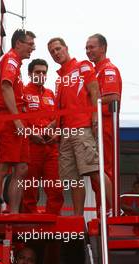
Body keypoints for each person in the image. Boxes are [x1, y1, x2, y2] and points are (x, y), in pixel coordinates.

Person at [48, 37, 112, 215]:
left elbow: (95, 91)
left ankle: (114, 209)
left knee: (95, 171)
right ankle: (77, 220)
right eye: (52, 52)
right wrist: (52, 127)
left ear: (66, 48)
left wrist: (94, 117)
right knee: (73, 180)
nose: (56, 53)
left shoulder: (82, 65)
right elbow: (63, 111)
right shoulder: (60, 80)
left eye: (58, 49)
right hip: (65, 134)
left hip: (82, 128)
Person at [0, 29, 36, 213]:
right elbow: (6, 87)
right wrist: (16, 120)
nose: (33, 48)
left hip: (17, 119)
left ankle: (14, 213)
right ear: (18, 43)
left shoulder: (16, 63)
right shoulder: (11, 59)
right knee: (2, 167)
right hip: (9, 119)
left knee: (22, 167)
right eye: (30, 44)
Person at [86, 33, 122, 216]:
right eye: (86, 48)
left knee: (105, 169)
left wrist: (90, 103)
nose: (88, 51)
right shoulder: (95, 71)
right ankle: (103, 211)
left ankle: (111, 210)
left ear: (103, 48)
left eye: (92, 47)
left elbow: (113, 95)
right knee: (96, 171)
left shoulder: (108, 69)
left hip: (106, 124)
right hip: (96, 125)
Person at [21, 58, 64, 214]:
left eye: (43, 72)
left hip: (50, 147)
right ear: (30, 74)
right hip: (31, 146)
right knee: (30, 188)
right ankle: (28, 222)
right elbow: (17, 119)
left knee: (55, 188)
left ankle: (53, 221)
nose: (41, 75)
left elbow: (58, 119)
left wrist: (57, 134)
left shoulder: (51, 93)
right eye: (37, 72)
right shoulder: (22, 92)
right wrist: (31, 134)